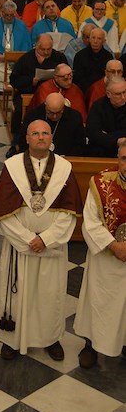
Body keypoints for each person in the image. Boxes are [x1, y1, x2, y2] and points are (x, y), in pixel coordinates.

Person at [0, 119, 82, 361]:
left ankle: (50, 338)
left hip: (51, 248)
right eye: (35, 133)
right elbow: (3, 213)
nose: (41, 137)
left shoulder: (64, 168)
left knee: (50, 295)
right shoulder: (12, 167)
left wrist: (46, 239)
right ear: (27, 138)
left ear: (51, 138)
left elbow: (69, 213)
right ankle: (11, 339)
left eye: (45, 133)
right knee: (16, 293)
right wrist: (28, 239)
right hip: (19, 246)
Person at [74, 142, 126, 368]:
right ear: (118, 159)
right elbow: (91, 223)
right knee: (98, 302)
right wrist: (114, 246)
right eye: (124, 158)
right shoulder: (101, 183)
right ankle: (90, 345)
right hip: (106, 258)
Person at [8, 33, 67, 157]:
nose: (46, 52)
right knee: (20, 111)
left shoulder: (59, 57)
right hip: (29, 92)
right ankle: (16, 143)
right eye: (42, 49)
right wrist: (31, 81)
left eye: (49, 49)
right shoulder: (26, 59)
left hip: (53, 93)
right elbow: (14, 79)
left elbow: (66, 75)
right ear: (36, 47)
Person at [0, 1, 32, 99]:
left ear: (15, 13)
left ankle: (18, 90)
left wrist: (19, 57)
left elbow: (27, 45)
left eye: (11, 15)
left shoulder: (21, 26)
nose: (9, 17)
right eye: (6, 15)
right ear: (1, 13)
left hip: (18, 60)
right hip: (0, 58)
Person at [18, 92, 86, 156]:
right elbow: (23, 140)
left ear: (63, 108)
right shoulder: (33, 116)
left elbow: (79, 144)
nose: (54, 116)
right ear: (45, 106)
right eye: (50, 113)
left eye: (58, 113)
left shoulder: (74, 117)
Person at [86, 77, 126, 157]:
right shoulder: (98, 106)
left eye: (124, 92)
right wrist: (116, 141)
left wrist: (107, 135)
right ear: (108, 94)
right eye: (118, 94)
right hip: (102, 153)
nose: (123, 97)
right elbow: (93, 133)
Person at [73, 28, 113, 93]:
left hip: (103, 91)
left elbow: (110, 77)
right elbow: (77, 79)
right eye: (93, 38)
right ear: (89, 39)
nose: (95, 41)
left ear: (104, 41)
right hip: (84, 92)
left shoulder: (108, 57)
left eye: (99, 39)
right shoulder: (79, 56)